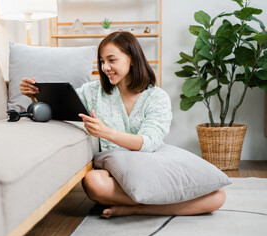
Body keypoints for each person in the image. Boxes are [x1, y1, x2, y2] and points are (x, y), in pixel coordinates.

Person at [20, 31, 226, 219]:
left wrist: (106, 133)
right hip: (113, 170)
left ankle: (136, 208)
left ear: (133, 60)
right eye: (101, 61)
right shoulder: (93, 92)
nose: (104, 67)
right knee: (93, 183)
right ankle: (154, 205)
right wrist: (34, 98)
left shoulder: (157, 97)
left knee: (218, 197)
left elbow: (150, 142)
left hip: (149, 166)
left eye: (111, 60)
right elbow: (58, 110)